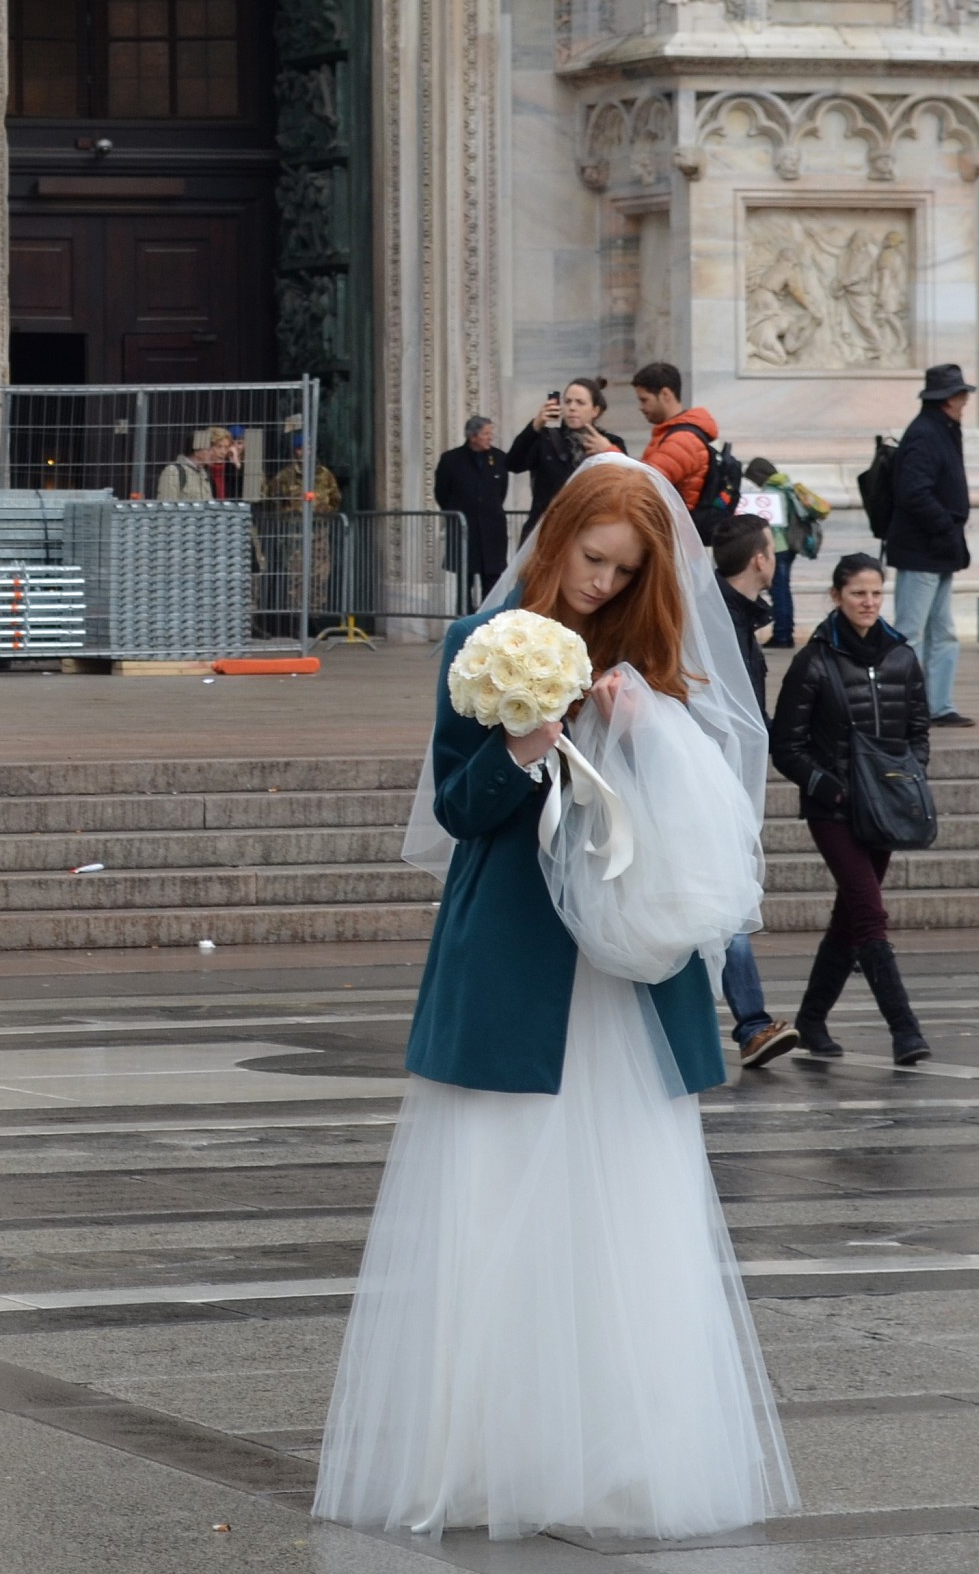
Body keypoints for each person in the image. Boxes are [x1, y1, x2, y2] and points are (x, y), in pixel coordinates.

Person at [316, 459, 796, 1541]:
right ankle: (495, 1457)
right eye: (591, 560)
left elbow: (711, 802)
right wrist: (525, 747)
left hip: (625, 971)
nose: (600, 584)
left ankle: (628, 1457)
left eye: (624, 571)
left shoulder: (658, 657)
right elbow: (454, 804)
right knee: (499, 1197)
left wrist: (641, 725)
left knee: (632, 1204)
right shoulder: (477, 649)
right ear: (557, 538)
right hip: (515, 957)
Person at [770, 553, 933, 1066]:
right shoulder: (813, 661)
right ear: (837, 595)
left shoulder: (902, 657)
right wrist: (833, 790)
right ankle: (905, 1030)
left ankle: (812, 1019)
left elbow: (919, 732)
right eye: (858, 593)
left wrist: (909, 780)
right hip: (834, 811)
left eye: (876, 593)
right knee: (868, 911)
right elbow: (786, 746)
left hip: (886, 810)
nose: (868, 602)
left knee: (850, 916)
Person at [712, 513, 800, 1068]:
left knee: (722, 899)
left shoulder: (736, 618)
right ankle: (750, 1024)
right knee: (723, 900)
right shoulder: (719, 619)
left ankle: (750, 1023)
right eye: (773, 550)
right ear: (760, 559)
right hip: (708, 784)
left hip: (726, 781)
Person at [886, 363, 976, 728]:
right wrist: (944, 526)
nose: (965, 401)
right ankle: (904, 707)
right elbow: (913, 491)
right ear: (948, 399)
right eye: (961, 394)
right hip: (923, 548)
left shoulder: (943, 430)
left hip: (938, 550)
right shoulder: (927, 433)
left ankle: (938, 705)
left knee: (943, 631)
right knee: (911, 631)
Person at [504, 377, 625, 539]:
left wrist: (608, 452)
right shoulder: (546, 439)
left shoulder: (611, 443)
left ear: (595, 410)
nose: (572, 408)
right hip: (547, 533)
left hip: (590, 533)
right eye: (567, 402)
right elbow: (513, 463)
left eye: (580, 403)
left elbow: (626, 485)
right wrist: (535, 425)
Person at [744, 456, 828, 649]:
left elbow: (770, 524)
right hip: (789, 547)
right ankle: (785, 631)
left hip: (777, 547)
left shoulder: (769, 492)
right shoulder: (787, 487)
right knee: (783, 591)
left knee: (779, 592)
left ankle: (782, 635)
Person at [434, 415, 512, 602]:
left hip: (492, 531)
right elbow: (442, 493)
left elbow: (501, 492)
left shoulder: (500, 458)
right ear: (473, 436)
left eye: (490, 433)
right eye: (486, 433)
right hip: (464, 530)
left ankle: (489, 623)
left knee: (492, 582)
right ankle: (466, 624)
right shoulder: (451, 460)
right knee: (464, 581)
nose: (489, 437)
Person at [634, 361, 721, 513]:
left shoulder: (682, 440)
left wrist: (611, 453)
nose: (641, 407)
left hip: (675, 528)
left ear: (665, 394)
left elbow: (644, 486)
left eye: (644, 400)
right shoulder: (674, 433)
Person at [155, 431, 219, 502]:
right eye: (209, 450)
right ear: (197, 452)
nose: (213, 453)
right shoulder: (173, 472)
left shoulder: (204, 473)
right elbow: (167, 506)